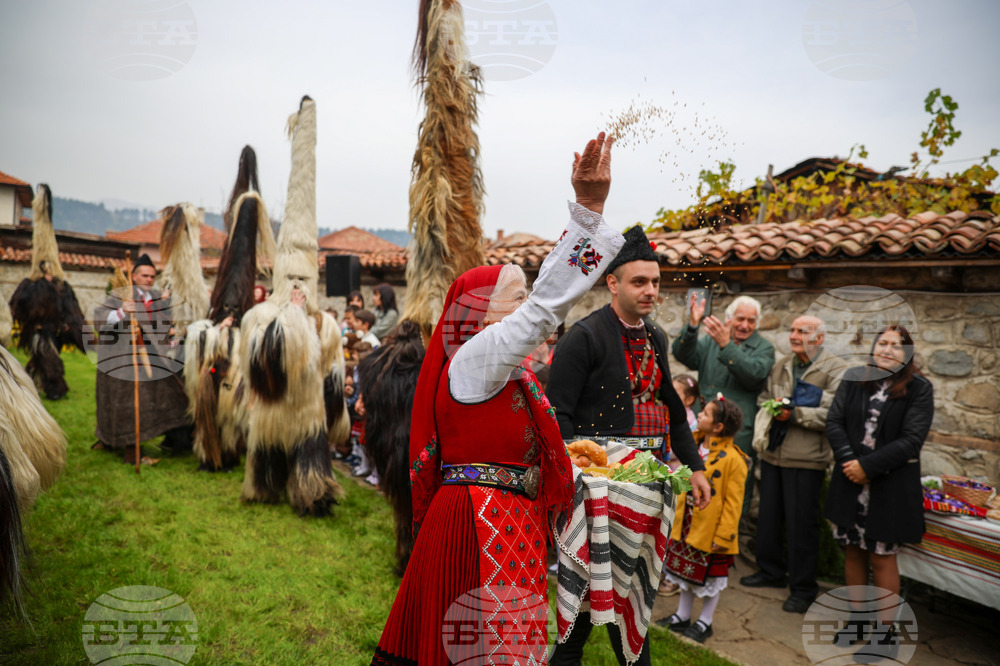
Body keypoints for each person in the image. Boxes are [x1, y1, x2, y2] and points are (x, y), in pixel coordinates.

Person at [372, 132, 622, 666]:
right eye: (517, 296)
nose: (527, 305)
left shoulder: (503, 374)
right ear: (481, 313)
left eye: (527, 293)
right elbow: (545, 311)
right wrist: (589, 212)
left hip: (506, 520)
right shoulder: (473, 360)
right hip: (475, 525)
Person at [546, 224, 711, 666]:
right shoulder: (583, 337)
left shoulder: (655, 337)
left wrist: (694, 465)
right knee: (583, 604)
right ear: (613, 283)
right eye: (640, 281)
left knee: (630, 597)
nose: (651, 290)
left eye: (656, 282)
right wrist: (576, 478)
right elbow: (556, 414)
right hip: (594, 492)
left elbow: (674, 408)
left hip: (642, 487)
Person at [824, 324, 932, 662]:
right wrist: (848, 462)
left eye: (896, 345)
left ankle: (885, 635)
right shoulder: (855, 378)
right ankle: (858, 622)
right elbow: (834, 421)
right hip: (849, 480)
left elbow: (911, 440)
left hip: (888, 487)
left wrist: (867, 467)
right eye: (882, 343)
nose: (887, 349)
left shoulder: (919, 388)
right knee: (852, 550)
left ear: (908, 353)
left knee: (882, 556)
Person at [740, 316, 846, 614]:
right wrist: (772, 406)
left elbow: (837, 413)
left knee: (802, 527)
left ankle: (803, 589)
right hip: (774, 454)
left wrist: (796, 414)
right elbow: (764, 397)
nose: (795, 335)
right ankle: (770, 572)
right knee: (769, 517)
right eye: (794, 330)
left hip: (807, 459)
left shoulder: (835, 370)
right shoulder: (782, 364)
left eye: (803, 331)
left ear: (819, 338)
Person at [672, 293, 775, 521]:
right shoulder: (711, 341)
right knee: (700, 476)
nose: (745, 325)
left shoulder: (764, 348)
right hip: (705, 429)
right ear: (729, 319)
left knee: (735, 486)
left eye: (751, 321)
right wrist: (692, 326)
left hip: (738, 433)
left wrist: (726, 345)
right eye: (740, 319)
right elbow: (683, 355)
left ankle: (731, 535)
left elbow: (754, 375)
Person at [658, 395, 747, 643]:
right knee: (683, 571)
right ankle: (682, 616)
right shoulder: (693, 447)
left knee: (712, 577)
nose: (699, 416)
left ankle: (705, 621)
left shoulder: (734, 460)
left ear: (718, 427)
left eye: (705, 414)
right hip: (686, 524)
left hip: (712, 531)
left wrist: (724, 534)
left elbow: (734, 503)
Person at [93, 254, 191, 464]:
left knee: (172, 393)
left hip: (152, 359)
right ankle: (130, 452)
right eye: (144, 275)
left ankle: (174, 440)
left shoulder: (156, 297)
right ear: (135, 277)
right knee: (127, 403)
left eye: (152, 276)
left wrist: (172, 337)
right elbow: (99, 319)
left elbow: (161, 326)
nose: (149, 279)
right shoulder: (121, 295)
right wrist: (121, 311)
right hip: (122, 360)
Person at [357, 319, 425, 575]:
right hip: (421, 449)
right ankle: (418, 561)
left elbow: (372, 413)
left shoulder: (378, 365)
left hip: (391, 449)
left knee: (402, 508)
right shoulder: (429, 364)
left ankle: (406, 556)